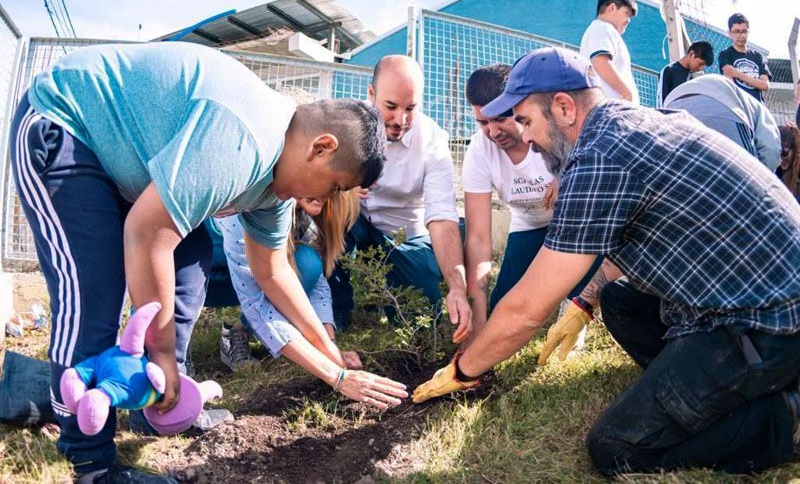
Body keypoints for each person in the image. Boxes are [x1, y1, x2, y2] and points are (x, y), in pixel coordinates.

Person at [9, 42, 391, 483]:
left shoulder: (275, 184)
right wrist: (163, 351)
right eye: (333, 186)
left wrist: (334, 359)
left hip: (123, 162)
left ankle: (155, 405)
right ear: (321, 148)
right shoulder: (242, 141)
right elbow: (146, 232)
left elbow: (272, 271)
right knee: (94, 292)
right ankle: (91, 462)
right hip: (64, 127)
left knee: (190, 259)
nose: (322, 203)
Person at [412, 46, 800, 476]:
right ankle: (715, 394)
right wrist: (583, 303)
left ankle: (785, 416)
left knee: (616, 447)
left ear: (562, 108)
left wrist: (464, 370)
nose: (523, 136)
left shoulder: (600, 158)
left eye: (525, 121)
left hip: (768, 321)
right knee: (616, 298)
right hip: (741, 290)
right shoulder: (635, 121)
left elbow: (526, 312)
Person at [214, 192, 407, 408]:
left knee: (308, 263)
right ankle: (197, 348)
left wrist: (330, 349)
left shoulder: (306, 213)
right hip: (209, 271)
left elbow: (316, 283)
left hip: (253, 273)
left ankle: (239, 331)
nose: (321, 198)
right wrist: (337, 377)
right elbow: (255, 302)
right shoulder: (250, 209)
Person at [328, 55, 472, 344]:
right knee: (334, 213)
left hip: (403, 234)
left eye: (411, 108)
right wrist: (343, 188)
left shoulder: (432, 140)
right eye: (390, 107)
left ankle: (405, 281)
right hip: (355, 220)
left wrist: (457, 286)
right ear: (371, 95)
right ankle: (334, 309)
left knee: (422, 319)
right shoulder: (344, 124)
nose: (400, 120)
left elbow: (442, 215)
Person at [462, 63, 599, 344]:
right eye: (482, 122)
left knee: (573, 280)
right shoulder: (479, 150)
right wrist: (476, 327)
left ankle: (578, 305)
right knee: (504, 307)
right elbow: (477, 239)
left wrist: (568, 177)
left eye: (500, 118)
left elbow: (597, 160)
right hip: (529, 224)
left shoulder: (551, 130)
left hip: (575, 224)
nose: (492, 131)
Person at [663, 74, 781, 170]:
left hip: (671, 105)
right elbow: (771, 150)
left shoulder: (751, 105)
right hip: (720, 101)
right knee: (745, 179)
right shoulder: (764, 113)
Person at [580, 0, 639, 104]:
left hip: (611, 110)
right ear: (612, 8)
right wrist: (627, 94)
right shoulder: (603, 28)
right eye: (626, 13)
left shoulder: (602, 29)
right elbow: (600, 61)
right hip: (612, 110)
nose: (628, 21)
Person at [718, 13, 771, 102]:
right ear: (729, 33)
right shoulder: (725, 55)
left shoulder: (757, 56)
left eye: (744, 31)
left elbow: (765, 85)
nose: (742, 36)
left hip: (758, 106)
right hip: (740, 106)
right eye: (737, 31)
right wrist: (755, 81)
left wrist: (737, 74)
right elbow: (730, 87)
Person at [655, 41, 714, 107]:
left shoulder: (697, 77)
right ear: (691, 54)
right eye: (700, 64)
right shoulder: (669, 70)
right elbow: (661, 101)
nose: (701, 68)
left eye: (704, 66)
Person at [777, 123, 800, 202]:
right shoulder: (773, 173)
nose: (782, 158)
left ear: (794, 151)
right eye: (778, 153)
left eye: (785, 153)